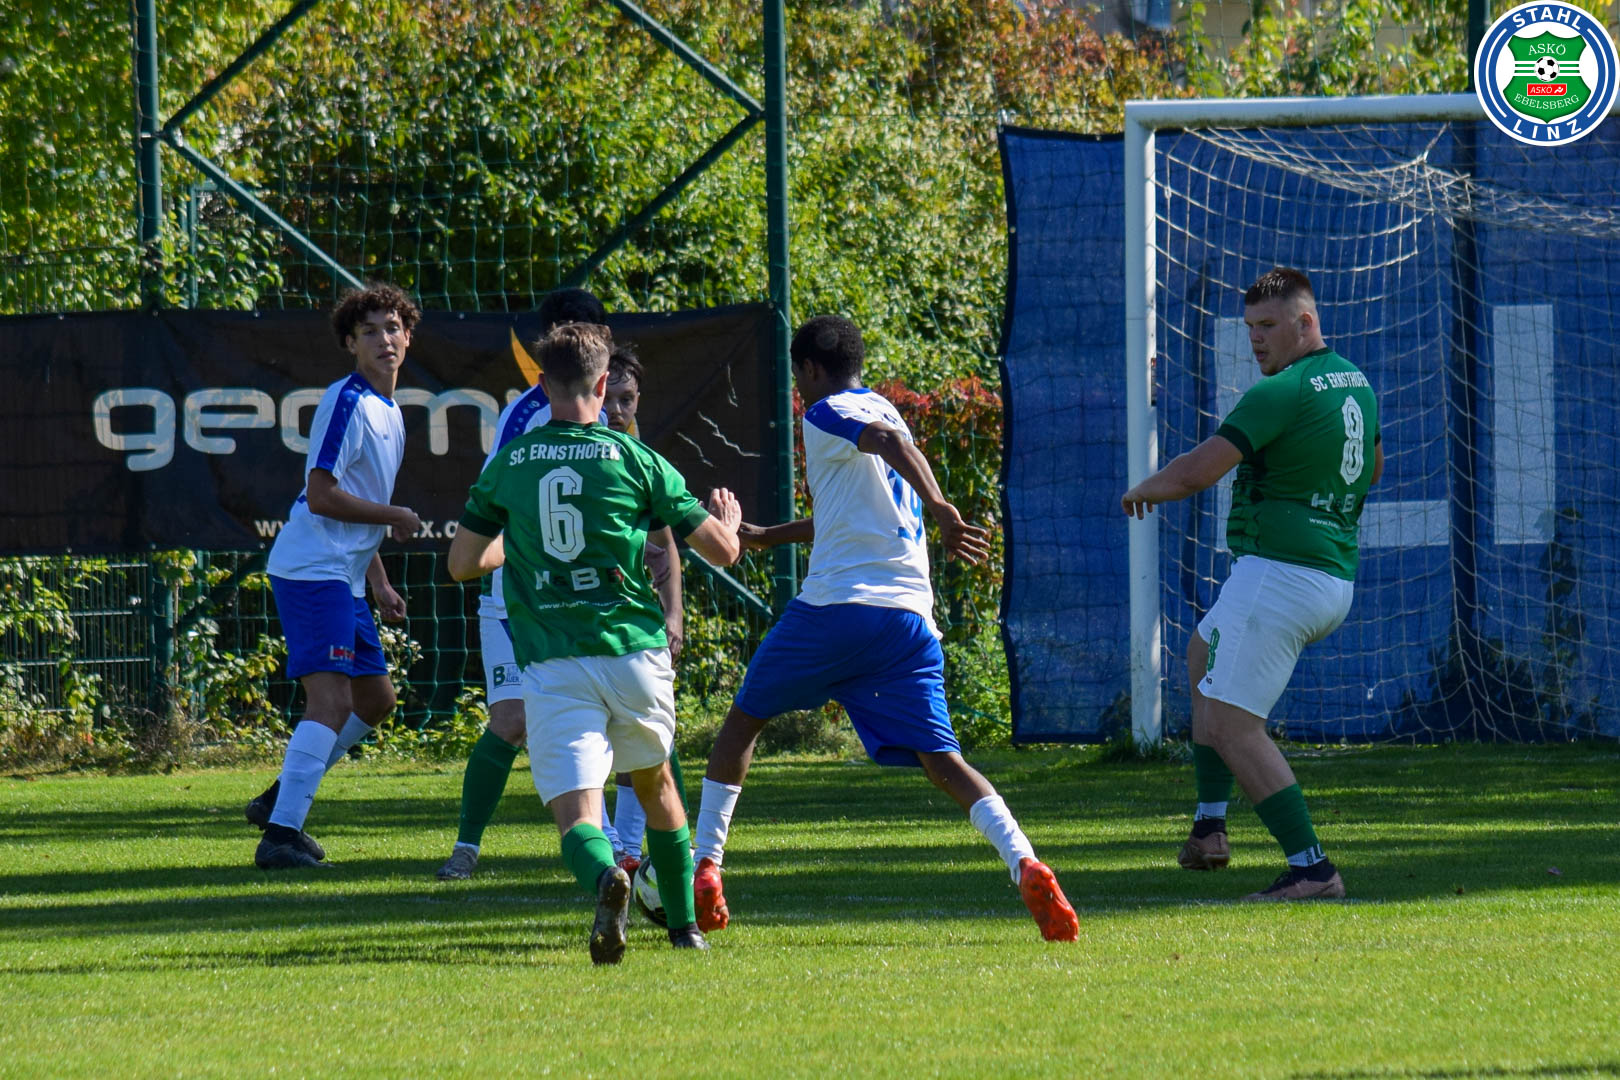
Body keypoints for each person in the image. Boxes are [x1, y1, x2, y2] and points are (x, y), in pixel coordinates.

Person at [689, 315, 1080, 943]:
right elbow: (852, 507)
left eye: (797, 377)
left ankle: (706, 866)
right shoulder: (887, 408)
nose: (798, 389)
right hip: (908, 620)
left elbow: (888, 445)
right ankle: (1026, 862)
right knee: (944, 760)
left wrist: (943, 508)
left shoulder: (828, 413)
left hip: (837, 609)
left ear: (810, 369)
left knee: (742, 723)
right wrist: (764, 536)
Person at [447, 322, 743, 963]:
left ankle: (609, 877)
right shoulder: (635, 458)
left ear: (542, 384)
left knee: (578, 814)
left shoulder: (511, 463)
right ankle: (684, 929)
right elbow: (721, 551)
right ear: (604, 384)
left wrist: (517, 544)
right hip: (635, 652)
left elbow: (463, 563)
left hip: (553, 659)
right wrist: (730, 522)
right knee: (656, 785)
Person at [1120, 266, 1382, 901]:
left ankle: (1312, 869)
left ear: (1305, 322)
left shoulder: (1280, 391)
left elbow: (1197, 472)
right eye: (1249, 327)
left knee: (1231, 726)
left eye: (1268, 325)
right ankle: (1210, 828)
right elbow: (1372, 468)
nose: (1256, 339)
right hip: (1329, 579)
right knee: (1201, 653)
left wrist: (1143, 489)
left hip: (1279, 577)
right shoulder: (1354, 381)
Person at [434, 287, 634, 881]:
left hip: (582, 600)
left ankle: (616, 848)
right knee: (512, 720)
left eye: (588, 331)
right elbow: (500, 505)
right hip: (517, 597)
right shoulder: (525, 415)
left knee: (610, 720)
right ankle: (466, 847)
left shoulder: (610, 415)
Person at [247, 282, 424, 870]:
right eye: (369, 331)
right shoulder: (347, 401)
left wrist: (378, 580)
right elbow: (321, 496)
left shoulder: (391, 411)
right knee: (330, 700)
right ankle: (280, 836)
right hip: (311, 568)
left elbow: (354, 501)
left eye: (393, 328)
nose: (384, 339)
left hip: (343, 575)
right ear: (351, 344)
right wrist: (394, 515)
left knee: (376, 700)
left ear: (408, 337)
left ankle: (281, 796)